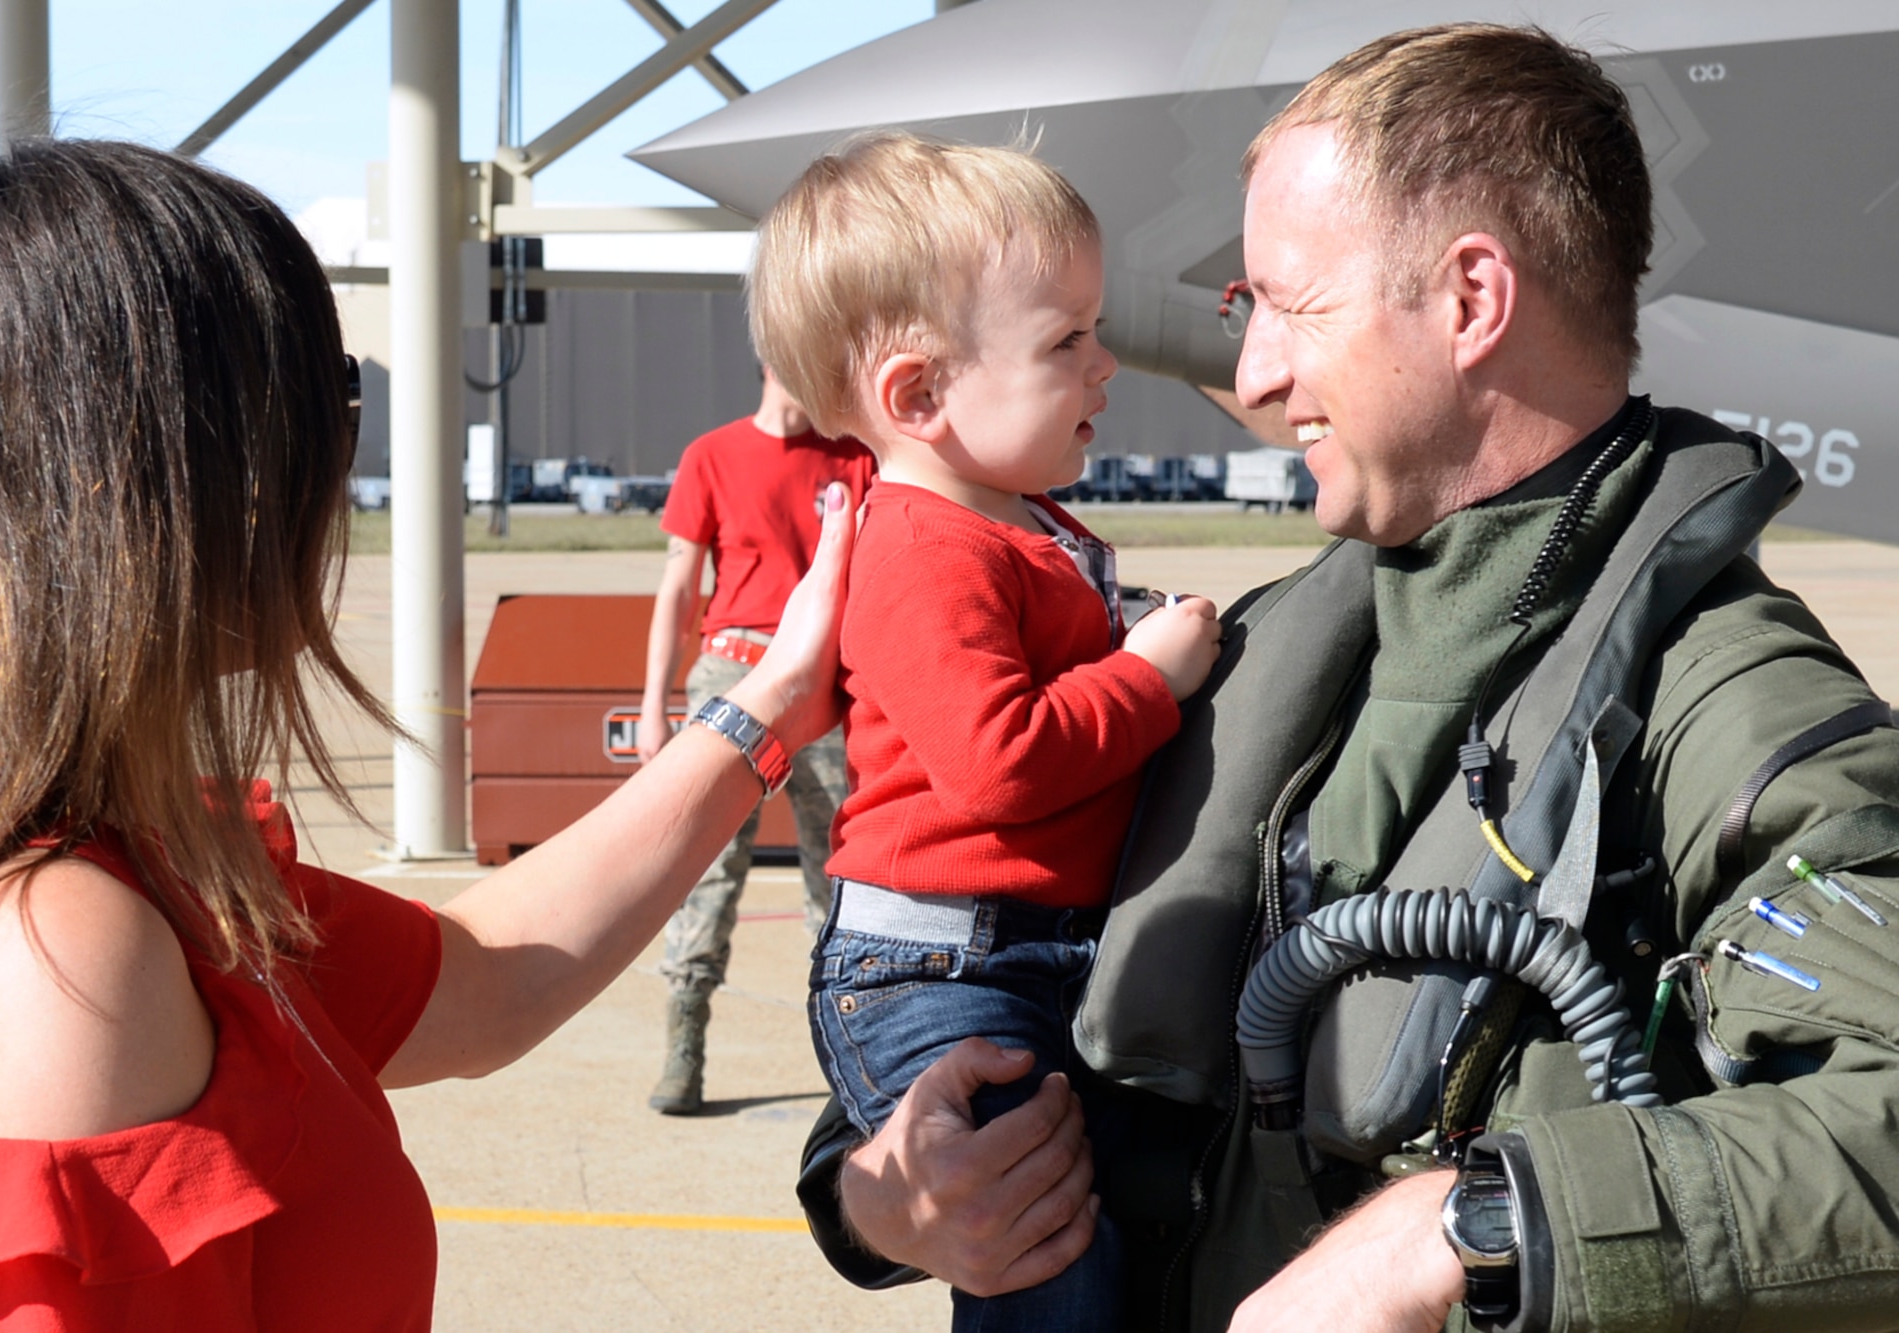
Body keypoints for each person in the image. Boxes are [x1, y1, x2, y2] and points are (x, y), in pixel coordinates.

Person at [794, 24, 1899, 1333]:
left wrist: (1462, 1228)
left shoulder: (1727, 703)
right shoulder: (1256, 668)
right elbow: (965, 1018)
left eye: (1291, 306)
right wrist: (876, 1198)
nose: (1254, 376)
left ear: (1472, 302)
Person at [0, 139, 855, 1329]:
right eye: (330, 399)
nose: (344, 460)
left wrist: (768, 704)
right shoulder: (56, 952)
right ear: (172, 472)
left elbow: (489, 979)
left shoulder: (143, 862)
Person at [749, 132, 1222, 1329]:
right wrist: (1147, 680)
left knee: (1097, 1226)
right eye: (1066, 340)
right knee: (1039, 1243)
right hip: (940, 973)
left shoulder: (1009, 524)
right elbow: (999, 759)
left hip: (1025, 956)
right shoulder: (920, 546)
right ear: (918, 394)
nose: (1106, 364)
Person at [636, 367, 875, 1115]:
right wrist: (654, 703)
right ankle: (685, 1043)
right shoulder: (712, 454)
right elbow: (679, 586)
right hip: (730, 677)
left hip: (823, 684)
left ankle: (853, 1057)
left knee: (840, 876)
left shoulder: (855, 456)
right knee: (708, 869)